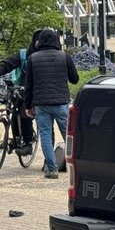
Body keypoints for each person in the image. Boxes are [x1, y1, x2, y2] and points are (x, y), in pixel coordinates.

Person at [24, 28, 79, 178]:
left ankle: (52, 169)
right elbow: (75, 79)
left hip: (41, 104)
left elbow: (29, 85)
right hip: (61, 102)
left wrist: (28, 106)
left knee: (46, 136)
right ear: (56, 41)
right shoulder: (64, 57)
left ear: (39, 42)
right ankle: (77, 166)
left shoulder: (33, 58)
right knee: (68, 135)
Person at [1, 42, 37, 156]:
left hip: (34, 91)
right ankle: (16, 138)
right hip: (20, 88)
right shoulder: (23, 55)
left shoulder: (42, 56)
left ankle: (28, 143)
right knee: (13, 112)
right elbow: (7, 64)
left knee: (25, 114)